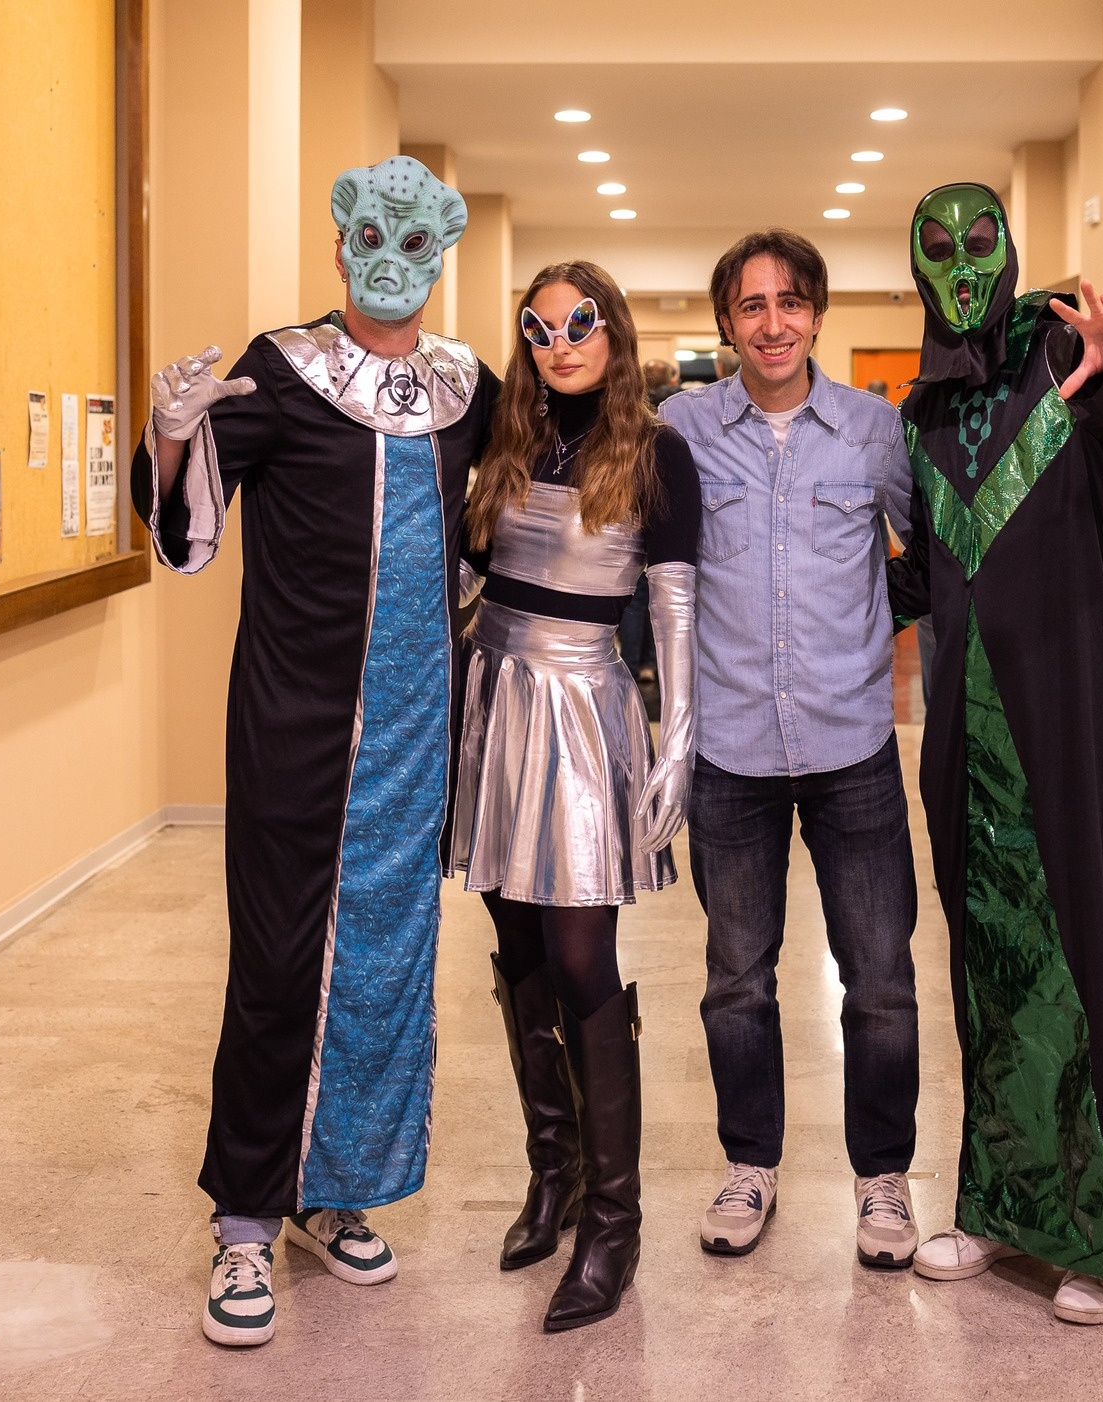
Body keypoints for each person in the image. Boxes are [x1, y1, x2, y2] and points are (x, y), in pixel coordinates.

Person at [132, 156, 499, 1349]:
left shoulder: (467, 388)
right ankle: (245, 1216)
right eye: (371, 235)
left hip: (415, 733)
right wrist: (171, 434)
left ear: (441, 252)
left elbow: (516, 513)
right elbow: (187, 531)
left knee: (386, 962)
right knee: (279, 959)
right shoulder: (281, 370)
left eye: (416, 239)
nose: (390, 258)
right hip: (295, 725)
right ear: (339, 243)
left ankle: (335, 1188)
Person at [886, 182, 1103, 1324]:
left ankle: (1102, 1239)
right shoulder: (924, 412)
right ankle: (999, 1205)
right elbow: (928, 576)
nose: (961, 264)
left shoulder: (1069, 351)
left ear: (1008, 248)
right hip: (966, 744)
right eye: (938, 248)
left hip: (1074, 730)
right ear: (917, 270)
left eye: (979, 240)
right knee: (989, 969)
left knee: (1086, 956)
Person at [659, 230, 922, 1268]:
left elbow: (926, 560)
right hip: (730, 751)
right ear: (726, 322)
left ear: (816, 314)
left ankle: (883, 1177)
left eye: (791, 302)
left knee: (880, 978)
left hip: (851, 744)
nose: (773, 323)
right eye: (751, 305)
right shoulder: (680, 430)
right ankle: (749, 1164)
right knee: (736, 976)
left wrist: (867, 638)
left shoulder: (873, 431)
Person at [457, 260, 701, 1331]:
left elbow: (675, 612)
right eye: (539, 328)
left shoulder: (655, 452)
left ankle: (614, 1220)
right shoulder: (503, 439)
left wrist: (678, 742)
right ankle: (551, 1173)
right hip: (494, 699)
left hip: (582, 702)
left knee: (579, 954)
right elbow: (465, 574)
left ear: (614, 332)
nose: (560, 345)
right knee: (513, 941)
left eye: (580, 324)